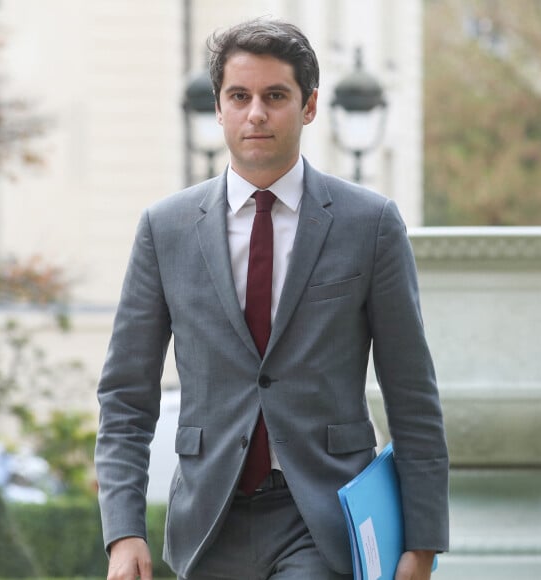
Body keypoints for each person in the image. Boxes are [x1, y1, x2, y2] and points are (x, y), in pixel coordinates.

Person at [95, 17, 449, 580]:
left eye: (274, 96)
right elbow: (126, 397)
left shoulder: (370, 223)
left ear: (308, 106)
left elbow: (412, 393)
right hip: (208, 522)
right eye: (239, 96)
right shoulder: (165, 229)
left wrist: (423, 542)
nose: (255, 113)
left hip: (323, 519)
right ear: (218, 107)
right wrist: (123, 531)